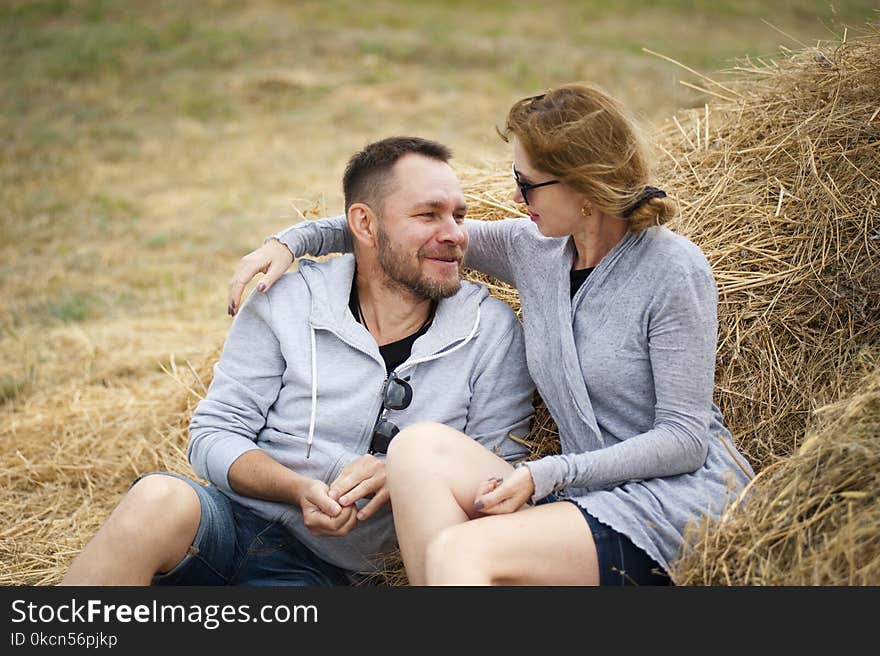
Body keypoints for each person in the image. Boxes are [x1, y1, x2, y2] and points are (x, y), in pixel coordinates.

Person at [227, 83, 756, 586]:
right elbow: (396, 233)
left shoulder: (672, 267)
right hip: (583, 500)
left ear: (583, 184)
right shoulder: (537, 249)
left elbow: (685, 440)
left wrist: (551, 473)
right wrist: (290, 243)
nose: (517, 195)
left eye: (527, 183)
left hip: (676, 502)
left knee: (458, 550)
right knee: (415, 449)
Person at [61, 136, 534, 586]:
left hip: (340, 574)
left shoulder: (490, 331)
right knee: (156, 499)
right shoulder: (286, 300)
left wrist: (409, 474)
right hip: (234, 524)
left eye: (459, 216)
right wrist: (295, 489)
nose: (454, 234)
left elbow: (500, 473)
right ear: (365, 225)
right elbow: (212, 434)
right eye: (428, 215)